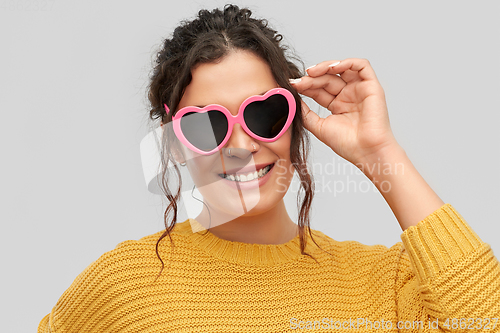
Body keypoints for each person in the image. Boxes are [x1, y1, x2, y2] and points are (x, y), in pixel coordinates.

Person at [38, 4, 500, 332]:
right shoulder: (125, 288)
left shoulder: (383, 286)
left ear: (295, 120)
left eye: (264, 115)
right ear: (176, 143)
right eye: (205, 126)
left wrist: (380, 152)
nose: (240, 145)